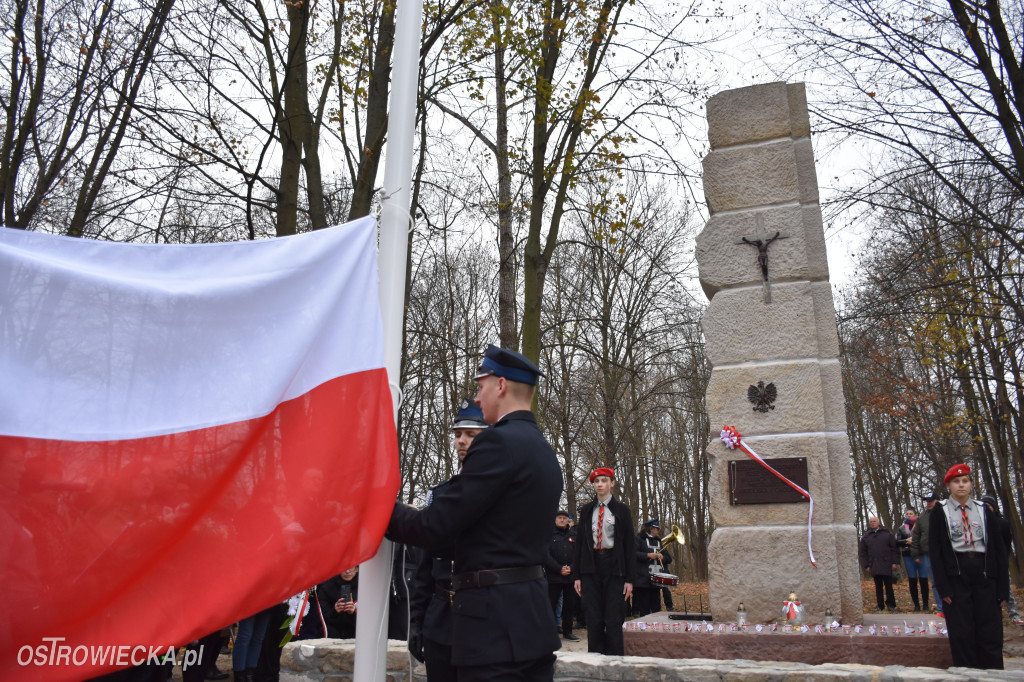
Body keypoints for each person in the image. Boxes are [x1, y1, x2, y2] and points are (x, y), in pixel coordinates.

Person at [388, 345, 563, 681]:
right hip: (531, 624)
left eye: (480, 385)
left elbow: (434, 527)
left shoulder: (498, 443)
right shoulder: (543, 450)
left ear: (500, 385)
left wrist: (381, 509)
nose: (477, 397)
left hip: (492, 631)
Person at [408, 398, 488, 682]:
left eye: (470, 434)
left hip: (483, 617)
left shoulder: (499, 495)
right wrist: (417, 619)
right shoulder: (441, 496)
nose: (461, 441)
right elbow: (423, 564)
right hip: (441, 616)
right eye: (457, 435)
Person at [929, 463, 1008, 669]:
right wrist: (942, 586)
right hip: (956, 575)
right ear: (949, 485)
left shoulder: (984, 510)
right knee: (962, 632)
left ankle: (993, 673)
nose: (961, 485)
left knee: (989, 630)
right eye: (956, 482)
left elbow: (999, 551)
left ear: (971, 484)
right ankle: (967, 672)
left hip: (984, 573)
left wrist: (1003, 588)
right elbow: (935, 552)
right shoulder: (940, 511)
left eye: (965, 481)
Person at [573, 467, 635, 655]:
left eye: (604, 481)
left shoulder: (622, 511)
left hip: (614, 568)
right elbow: (580, 545)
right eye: (596, 481)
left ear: (612, 483)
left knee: (613, 617)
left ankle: (615, 663)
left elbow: (629, 547)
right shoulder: (586, 511)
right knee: (593, 618)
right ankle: (596, 661)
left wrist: (630, 579)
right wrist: (577, 576)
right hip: (590, 568)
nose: (600, 484)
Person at [981, 494, 1021, 624]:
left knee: (1006, 588)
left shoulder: (1002, 523)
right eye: (984, 506)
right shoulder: (979, 524)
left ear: (993, 507)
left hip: (1000, 561)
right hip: (984, 562)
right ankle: (988, 614)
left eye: (988, 506)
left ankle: (1014, 614)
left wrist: (1003, 557)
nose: (986, 509)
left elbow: (1006, 542)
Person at [545, 510, 579, 641]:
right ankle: (549, 632)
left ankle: (567, 631)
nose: (562, 520)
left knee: (569, 605)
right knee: (551, 604)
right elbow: (546, 555)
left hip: (570, 576)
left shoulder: (573, 535)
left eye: (565, 518)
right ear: (555, 520)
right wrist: (559, 569)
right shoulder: (548, 535)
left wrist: (571, 568)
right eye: (559, 518)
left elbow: (578, 555)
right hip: (554, 576)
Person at [859, 516, 899, 612]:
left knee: (889, 586)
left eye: (874, 521)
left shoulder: (887, 534)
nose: (872, 523)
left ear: (879, 523)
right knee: (878, 587)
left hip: (887, 564)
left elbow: (894, 549)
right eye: (871, 521)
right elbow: (863, 553)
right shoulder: (866, 537)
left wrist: (895, 562)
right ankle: (880, 605)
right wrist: (867, 565)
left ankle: (891, 605)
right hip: (874, 565)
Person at [632, 519, 671, 617]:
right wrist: (648, 555)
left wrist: (663, 557)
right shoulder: (638, 539)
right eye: (656, 529)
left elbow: (669, 558)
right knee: (644, 610)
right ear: (650, 529)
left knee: (656, 609)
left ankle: (655, 628)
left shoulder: (659, 541)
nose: (658, 531)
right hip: (643, 580)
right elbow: (633, 554)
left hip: (656, 581)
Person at [912, 493, 942, 615]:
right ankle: (941, 609)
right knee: (935, 582)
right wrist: (916, 554)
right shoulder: (922, 517)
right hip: (929, 554)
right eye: (927, 501)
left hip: (945, 554)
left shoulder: (945, 513)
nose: (929, 503)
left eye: (931, 500)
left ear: (938, 501)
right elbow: (916, 536)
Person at [897, 508, 926, 612]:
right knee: (912, 580)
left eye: (911, 514)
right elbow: (897, 542)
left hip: (921, 554)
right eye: (907, 514)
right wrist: (906, 541)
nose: (908, 515)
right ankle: (916, 605)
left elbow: (926, 538)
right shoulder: (902, 528)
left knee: (924, 579)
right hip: (908, 555)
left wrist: (915, 541)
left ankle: (926, 604)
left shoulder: (921, 526)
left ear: (915, 515)